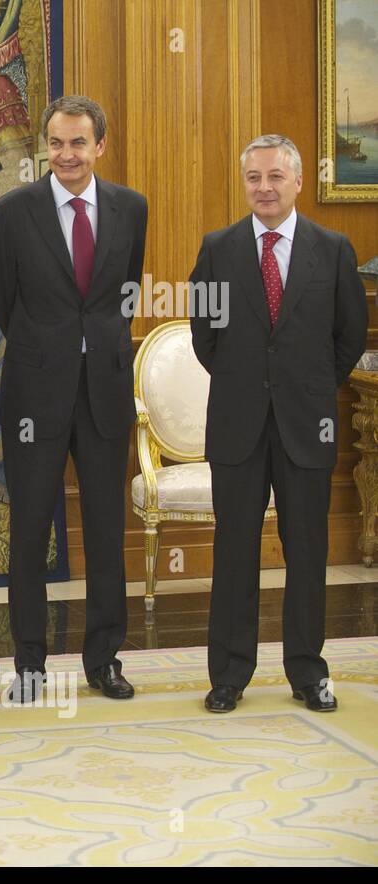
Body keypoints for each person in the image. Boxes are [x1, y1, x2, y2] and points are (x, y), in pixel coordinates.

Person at [189, 134, 367, 714]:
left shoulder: (333, 249)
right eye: (253, 178)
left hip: (305, 425)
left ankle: (307, 671)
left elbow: (349, 338)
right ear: (244, 183)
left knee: (308, 551)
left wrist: (308, 388)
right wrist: (249, 385)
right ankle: (229, 675)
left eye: (274, 177)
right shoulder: (217, 249)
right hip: (238, 425)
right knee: (234, 551)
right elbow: (205, 337)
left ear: (296, 181)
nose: (263, 188)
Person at [0, 95, 148, 702]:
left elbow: (125, 290)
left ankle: (104, 661)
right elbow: (2, 296)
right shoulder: (12, 211)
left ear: (99, 146)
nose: (66, 154)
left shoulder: (131, 208)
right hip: (35, 394)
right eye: (56, 142)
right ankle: (29, 664)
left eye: (78, 143)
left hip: (105, 391)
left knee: (106, 531)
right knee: (29, 531)